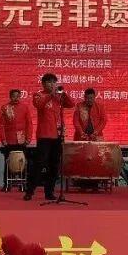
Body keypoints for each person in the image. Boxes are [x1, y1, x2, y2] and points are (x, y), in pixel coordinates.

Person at [24, 73, 75, 202]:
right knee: (39, 164)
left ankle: (49, 192)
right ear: (43, 84)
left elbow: (71, 104)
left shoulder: (58, 97)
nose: (52, 85)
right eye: (49, 82)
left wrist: (63, 94)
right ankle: (30, 191)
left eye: (54, 82)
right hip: (44, 135)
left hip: (57, 135)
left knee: (54, 165)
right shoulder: (38, 95)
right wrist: (51, 95)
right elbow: (39, 105)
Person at [0, 89, 33, 192]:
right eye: (14, 96)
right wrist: (3, 139)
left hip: (22, 139)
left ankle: (23, 184)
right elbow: (1, 125)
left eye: (18, 96)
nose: (16, 98)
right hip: (9, 139)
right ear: (10, 97)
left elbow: (29, 123)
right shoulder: (5, 107)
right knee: (8, 162)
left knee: (22, 162)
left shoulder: (25, 107)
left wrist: (28, 138)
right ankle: (7, 184)